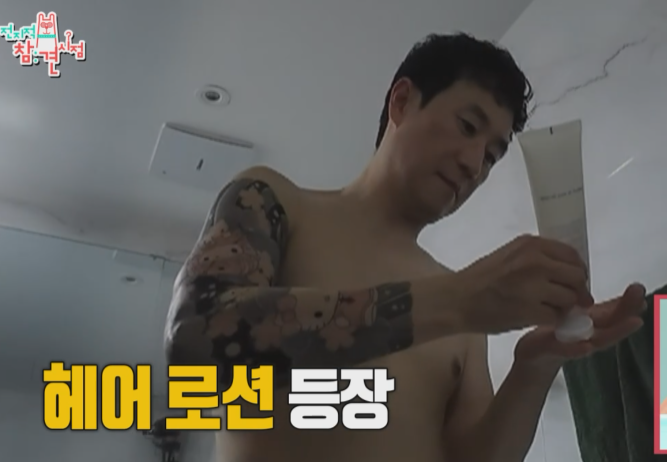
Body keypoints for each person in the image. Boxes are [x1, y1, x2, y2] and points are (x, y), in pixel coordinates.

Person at [164, 33, 646, 462]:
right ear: (401, 101)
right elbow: (196, 338)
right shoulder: (277, 203)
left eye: (492, 155)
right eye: (467, 126)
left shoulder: (464, 312)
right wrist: (458, 302)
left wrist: (534, 368)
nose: (475, 163)